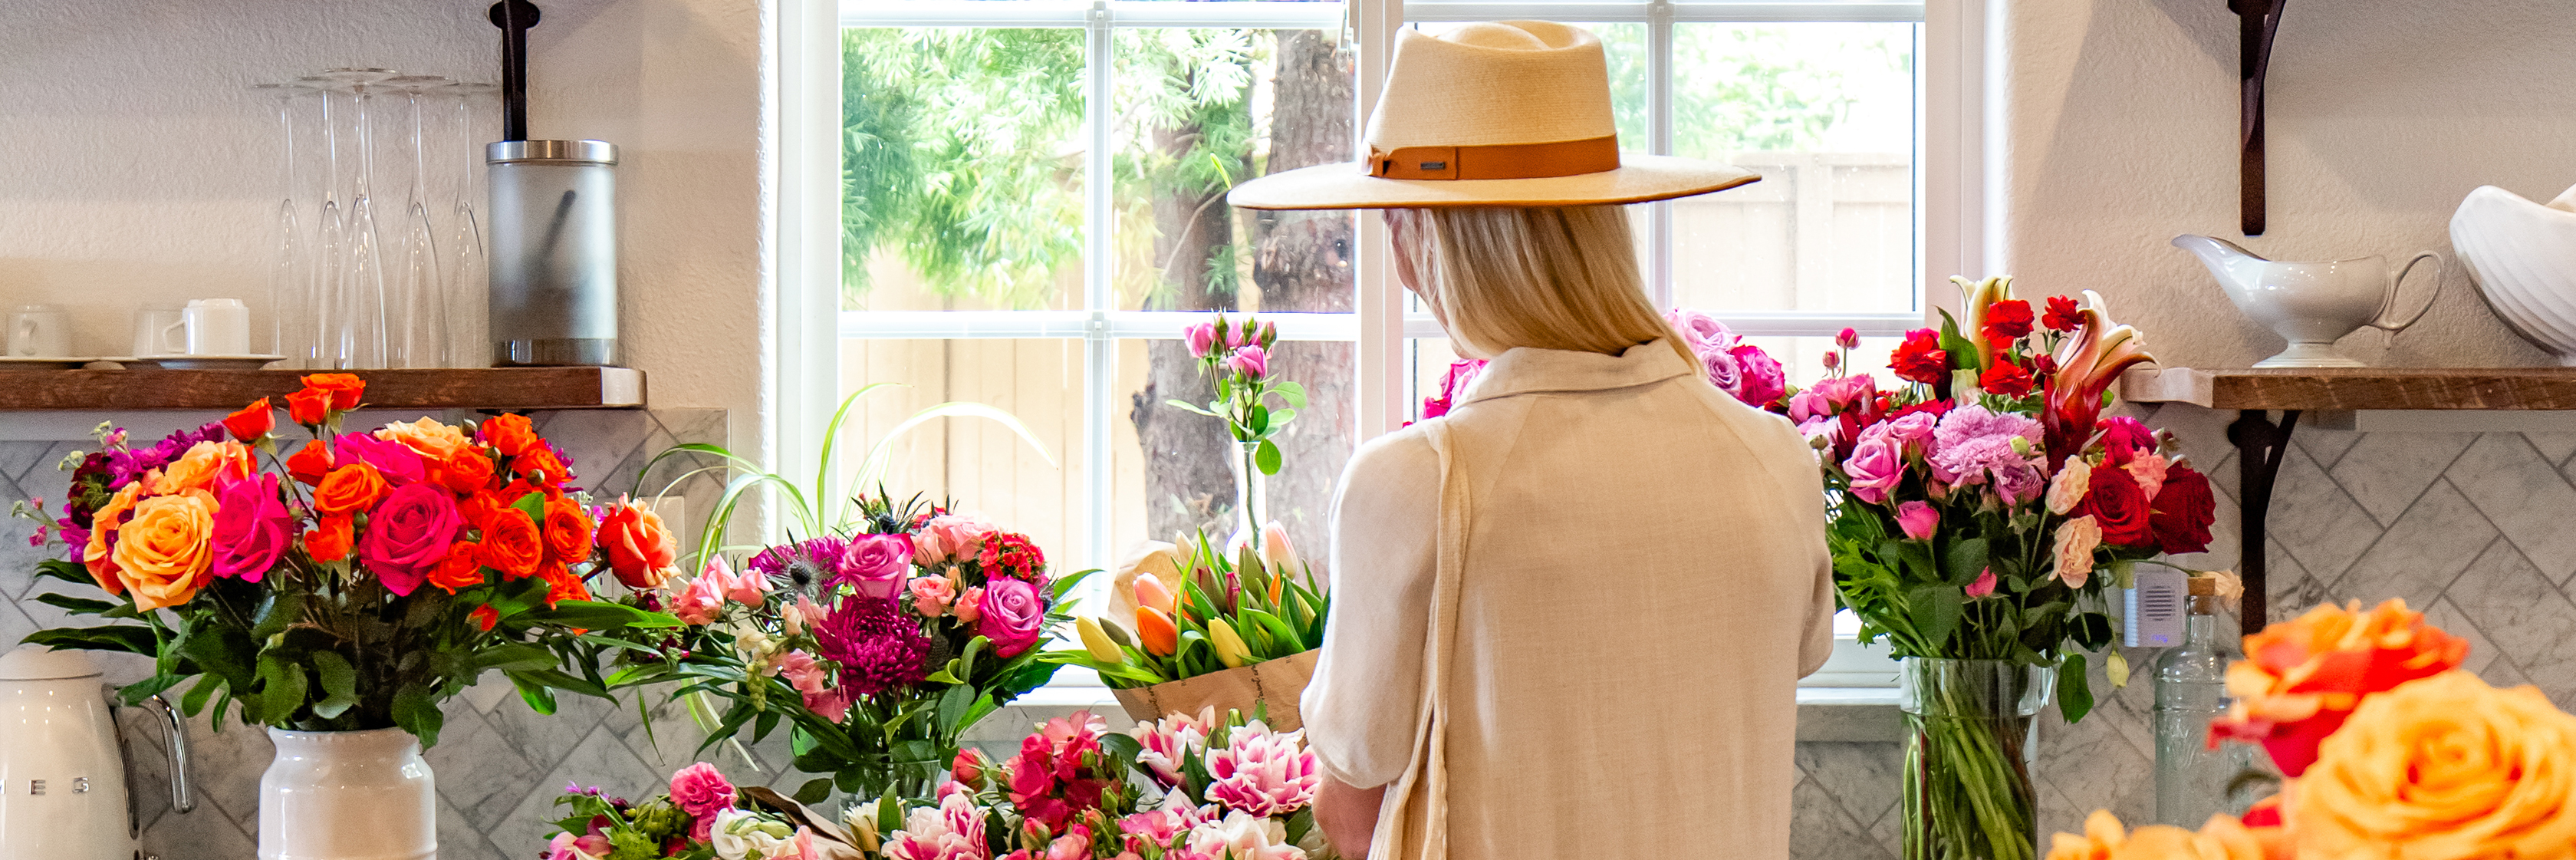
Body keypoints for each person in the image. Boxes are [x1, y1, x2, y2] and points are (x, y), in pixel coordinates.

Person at [1225, 20, 1838, 860]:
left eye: (1393, 225)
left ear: (1422, 241)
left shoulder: (1416, 482)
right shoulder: (1775, 461)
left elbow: (1348, 806)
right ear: (1602, 225)